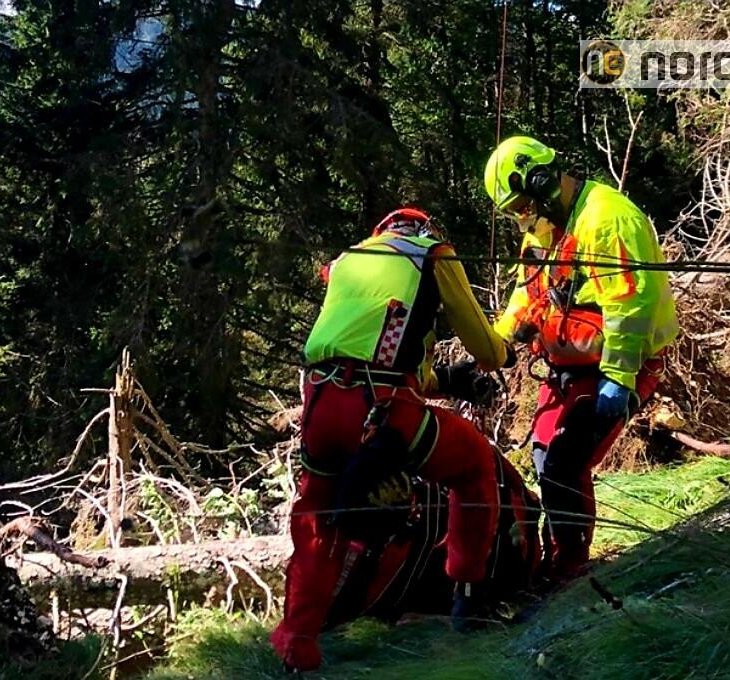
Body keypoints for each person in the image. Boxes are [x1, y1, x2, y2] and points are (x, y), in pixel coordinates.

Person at [270, 207, 514, 672]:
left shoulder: (346, 263)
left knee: (318, 520)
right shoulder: (432, 255)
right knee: (473, 466)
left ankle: (298, 641)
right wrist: (503, 350)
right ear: (422, 230)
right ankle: (468, 595)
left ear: (381, 232)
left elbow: (373, 345)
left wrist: (442, 381)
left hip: (321, 403)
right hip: (381, 409)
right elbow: (484, 348)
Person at [483, 135, 679, 582]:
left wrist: (619, 377)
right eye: (512, 212)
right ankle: (556, 556)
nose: (520, 218)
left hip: (617, 365)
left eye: (520, 206)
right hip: (568, 369)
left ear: (541, 182)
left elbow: (631, 304)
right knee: (541, 457)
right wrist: (498, 341)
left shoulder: (607, 218)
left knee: (565, 463)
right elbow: (525, 292)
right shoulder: (542, 230)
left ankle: (570, 568)